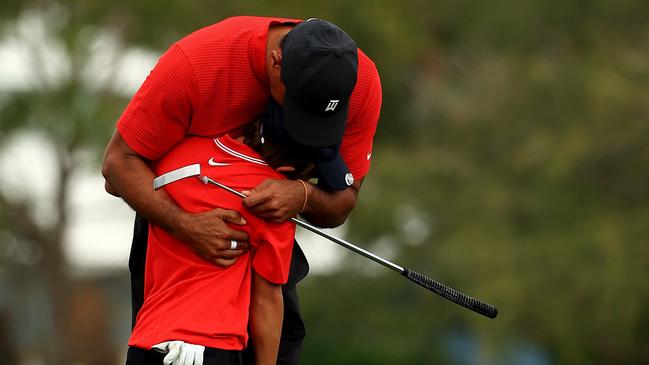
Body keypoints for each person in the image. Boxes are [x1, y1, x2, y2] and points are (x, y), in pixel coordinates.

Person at [102, 16, 382, 364]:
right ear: (276, 62)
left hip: (261, 226)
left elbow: (343, 202)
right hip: (169, 219)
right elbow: (117, 166)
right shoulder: (194, 65)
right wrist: (185, 225)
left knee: (284, 336)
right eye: (298, 112)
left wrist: (302, 195)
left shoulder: (361, 81)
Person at [127, 107, 324, 365]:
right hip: (209, 348)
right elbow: (266, 304)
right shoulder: (274, 201)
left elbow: (116, 180)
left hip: (144, 345)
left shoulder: (177, 151)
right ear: (288, 168)